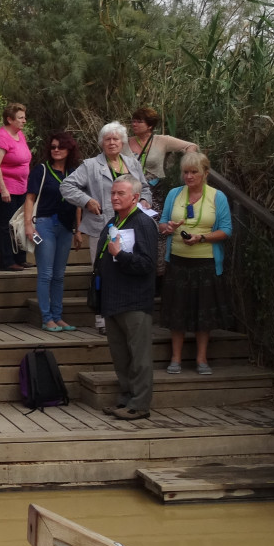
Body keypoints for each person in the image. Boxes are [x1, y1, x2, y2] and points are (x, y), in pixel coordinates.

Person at [59, 122, 147, 332]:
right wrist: (87, 200)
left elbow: (144, 189)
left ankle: (125, 314)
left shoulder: (132, 163)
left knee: (127, 269)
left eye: (116, 139)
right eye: (107, 139)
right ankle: (102, 319)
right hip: (102, 226)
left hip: (132, 225)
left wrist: (144, 202)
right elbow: (66, 186)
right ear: (101, 143)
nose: (112, 142)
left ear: (123, 142)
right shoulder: (91, 165)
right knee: (103, 271)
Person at [158, 151, 233, 376]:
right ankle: (176, 357)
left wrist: (202, 238)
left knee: (203, 312)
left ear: (205, 173)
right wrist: (168, 227)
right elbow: (162, 224)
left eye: (194, 172)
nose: (189, 177)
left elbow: (226, 230)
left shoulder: (217, 197)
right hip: (178, 261)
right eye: (185, 172)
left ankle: (201, 358)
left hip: (206, 262)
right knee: (177, 310)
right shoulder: (174, 194)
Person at [92, 177, 159, 420]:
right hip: (112, 300)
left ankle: (140, 404)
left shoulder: (143, 223)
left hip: (135, 301)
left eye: (121, 193)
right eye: (113, 193)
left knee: (139, 357)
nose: (115, 197)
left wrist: (120, 255)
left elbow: (148, 264)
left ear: (134, 197)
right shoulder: (113, 222)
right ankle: (126, 399)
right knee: (121, 357)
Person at [24, 132, 84, 332]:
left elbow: (78, 202)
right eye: (53, 147)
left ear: (69, 149)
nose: (56, 150)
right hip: (44, 224)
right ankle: (46, 317)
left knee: (59, 274)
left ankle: (58, 316)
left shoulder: (74, 172)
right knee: (46, 273)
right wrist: (28, 225)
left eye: (61, 147)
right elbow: (30, 198)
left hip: (66, 227)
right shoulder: (41, 170)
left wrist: (78, 229)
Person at [0, 102, 31, 271]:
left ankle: (20, 257)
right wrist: (4, 189)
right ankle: (6, 261)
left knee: (19, 222)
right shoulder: (1, 137)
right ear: (10, 119)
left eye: (24, 117)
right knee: (7, 223)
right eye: (20, 118)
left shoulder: (20, 135)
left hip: (21, 186)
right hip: (4, 187)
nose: (24, 121)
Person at [129, 106, 197, 212]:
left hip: (154, 191)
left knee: (153, 222)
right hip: (130, 190)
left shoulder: (162, 141)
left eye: (139, 121)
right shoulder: (125, 142)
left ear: (150, 125)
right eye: (133, 121)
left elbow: (191, 146)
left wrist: (188, 162)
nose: (134, 124)